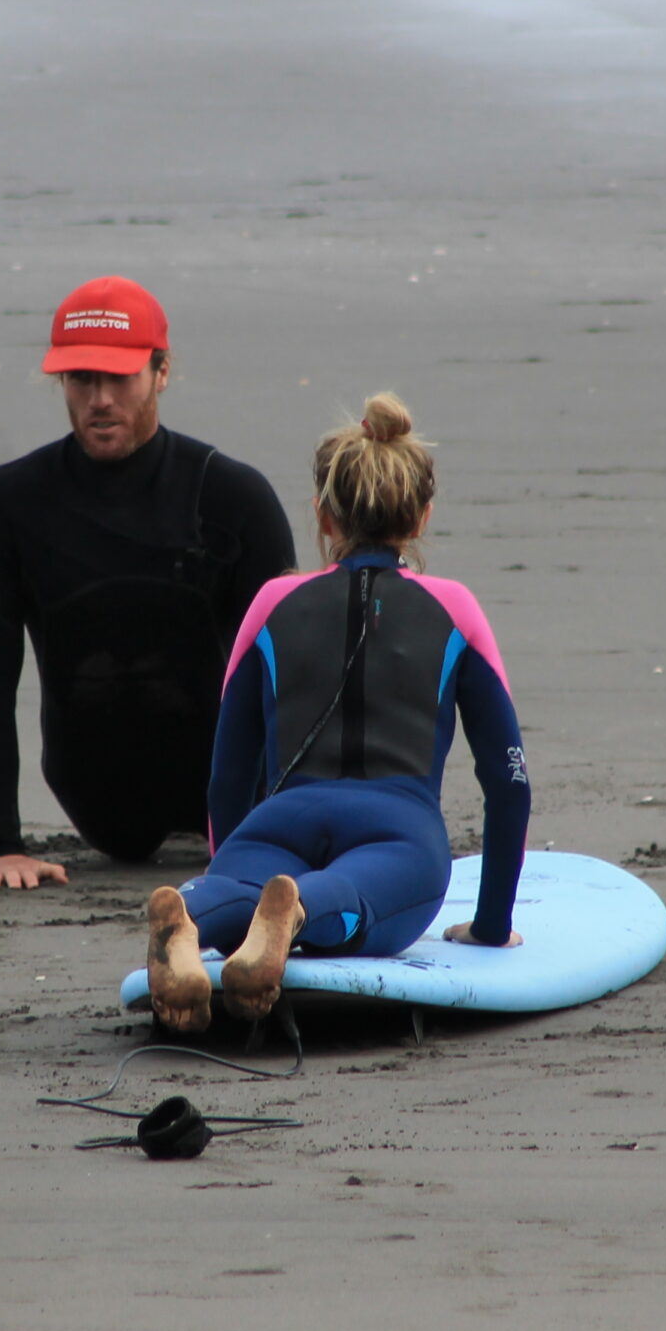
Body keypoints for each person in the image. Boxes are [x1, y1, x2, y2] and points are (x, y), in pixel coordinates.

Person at [144, 392, 528, 1032]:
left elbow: (226, 776)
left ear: (324, 516)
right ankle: (293, 915)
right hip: (396, 827)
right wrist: (491, 926)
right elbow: (508, 783)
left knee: (234, 892)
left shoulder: (271, 602)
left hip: (280, 822)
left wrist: (232, 852)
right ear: (421, 516)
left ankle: (192, 918)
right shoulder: (454, 608)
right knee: (346, 898)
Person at [0, 276, 298, 889]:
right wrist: (1, 845)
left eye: (120, 377)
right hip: (95, 795)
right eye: (82, 378)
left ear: (162, 371)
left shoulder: (232, 496)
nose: (100, 399)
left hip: (226, 787)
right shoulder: (9, 505)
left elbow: (291, 679)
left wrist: (289, 824)